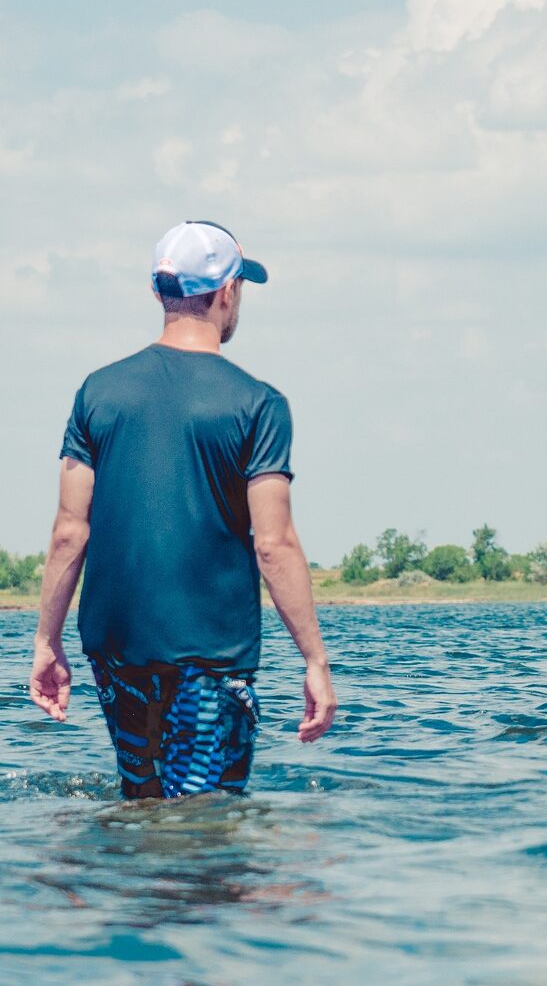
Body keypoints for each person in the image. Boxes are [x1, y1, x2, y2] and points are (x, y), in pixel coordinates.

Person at [27, 221, 338, 799]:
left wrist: (47, 642)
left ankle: (131, 888)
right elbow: (274, 544)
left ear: (158, 293)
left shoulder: (97, 391)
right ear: (227, 292)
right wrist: (315, 660)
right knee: (202, 819)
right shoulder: (258, 403)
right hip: (209, 651)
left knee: (143, 802)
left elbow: (70, 532)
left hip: (115, 648)